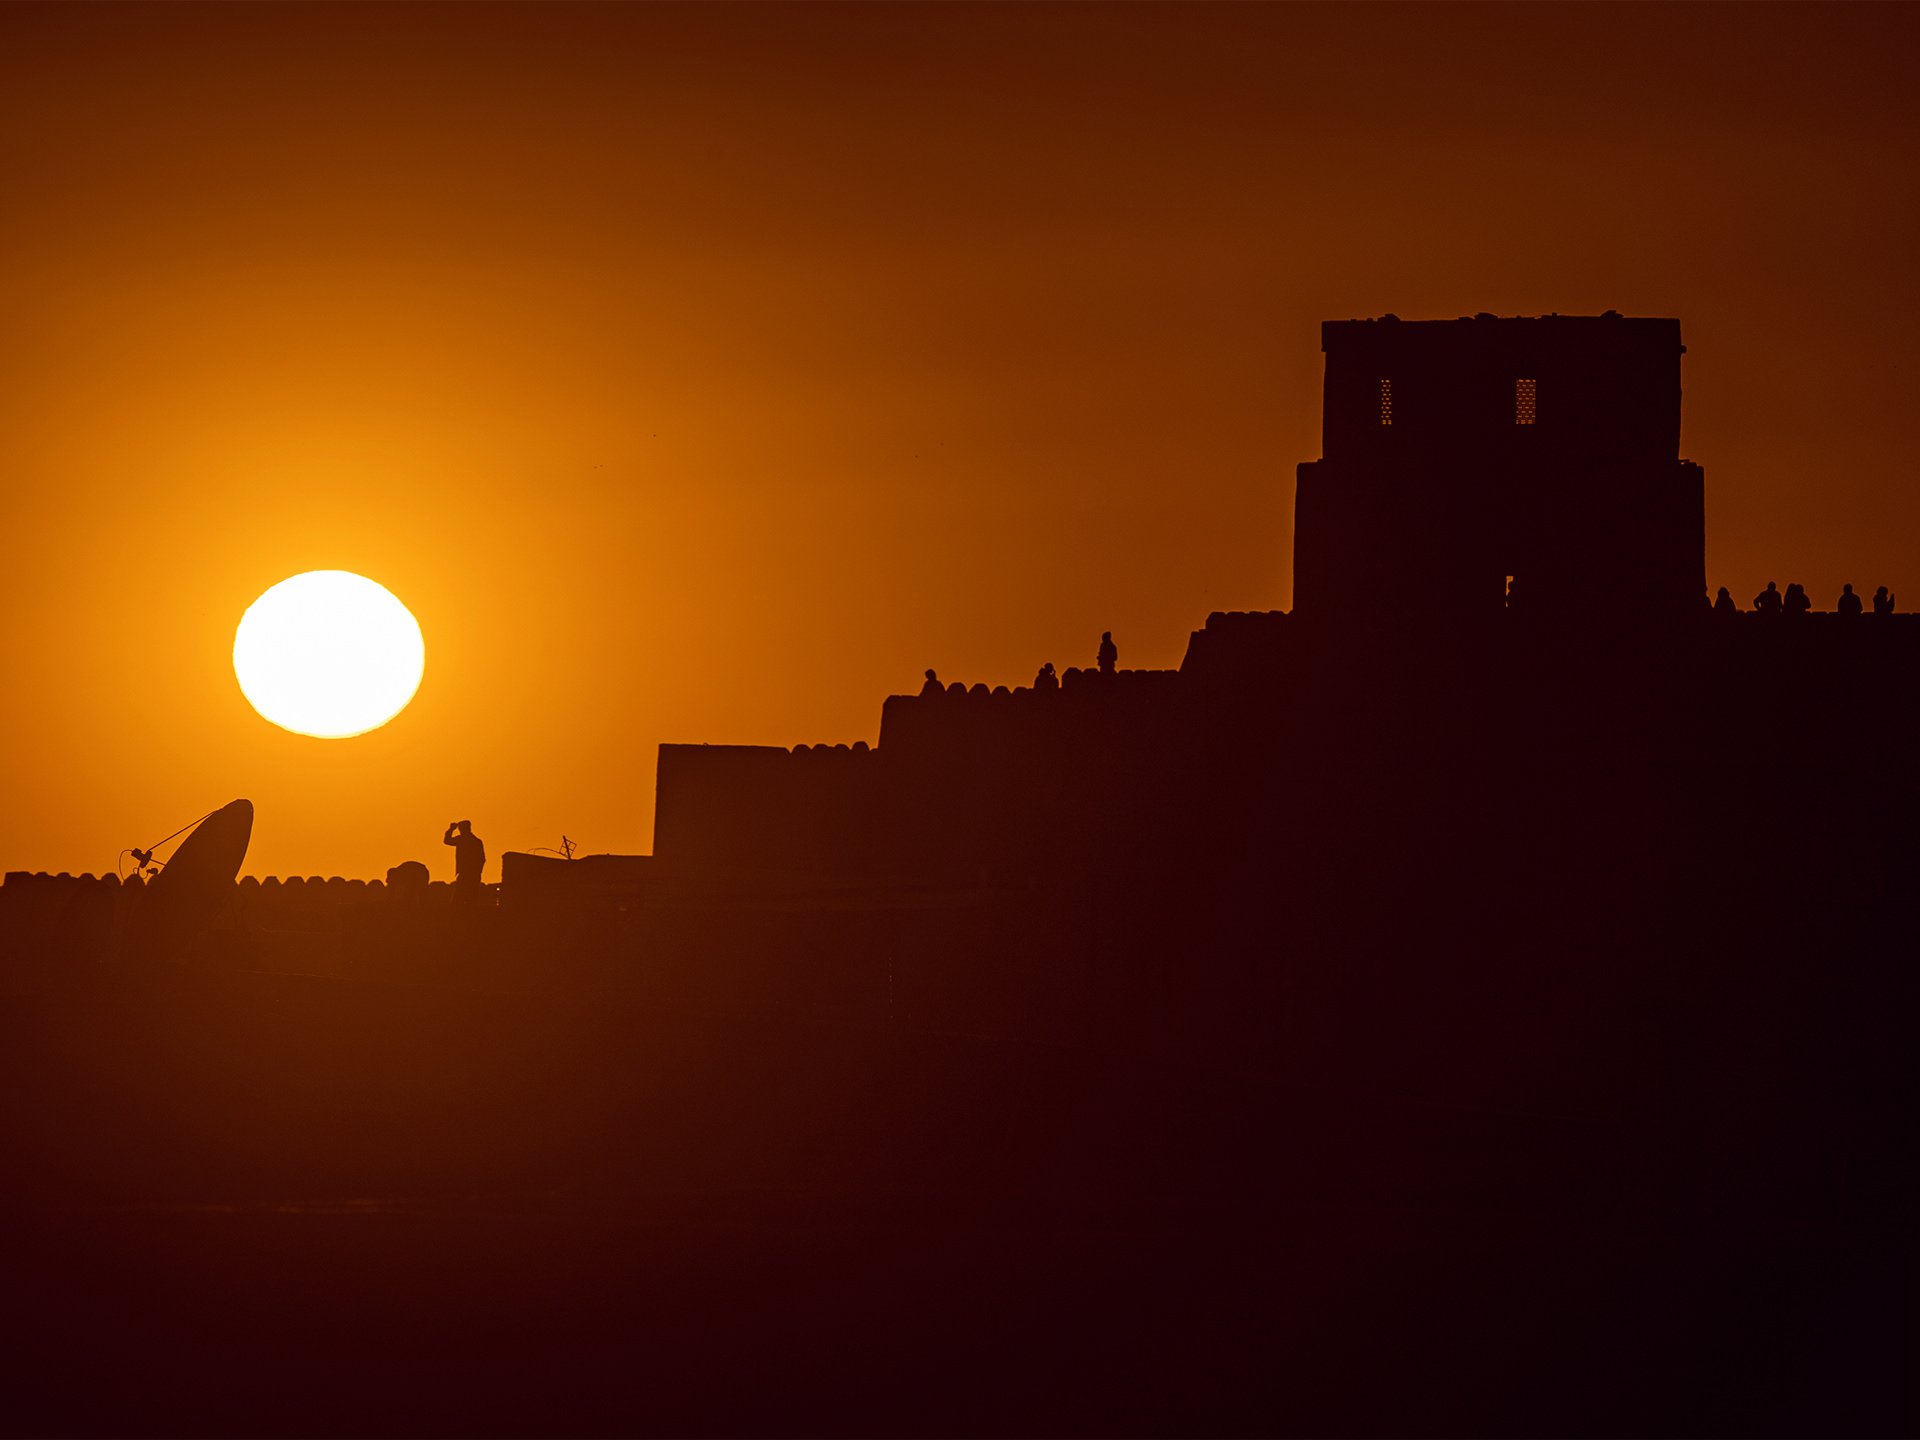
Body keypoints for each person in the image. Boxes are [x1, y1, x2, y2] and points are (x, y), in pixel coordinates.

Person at [443, 820, 486, 903]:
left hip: (468, 873)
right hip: (469, 873)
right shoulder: (473, 841)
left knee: (460, 898)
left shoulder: (465, 840)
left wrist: (451, 829)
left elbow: (481, 859)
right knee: (469, 898)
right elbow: (447, 841)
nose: (460, 831)